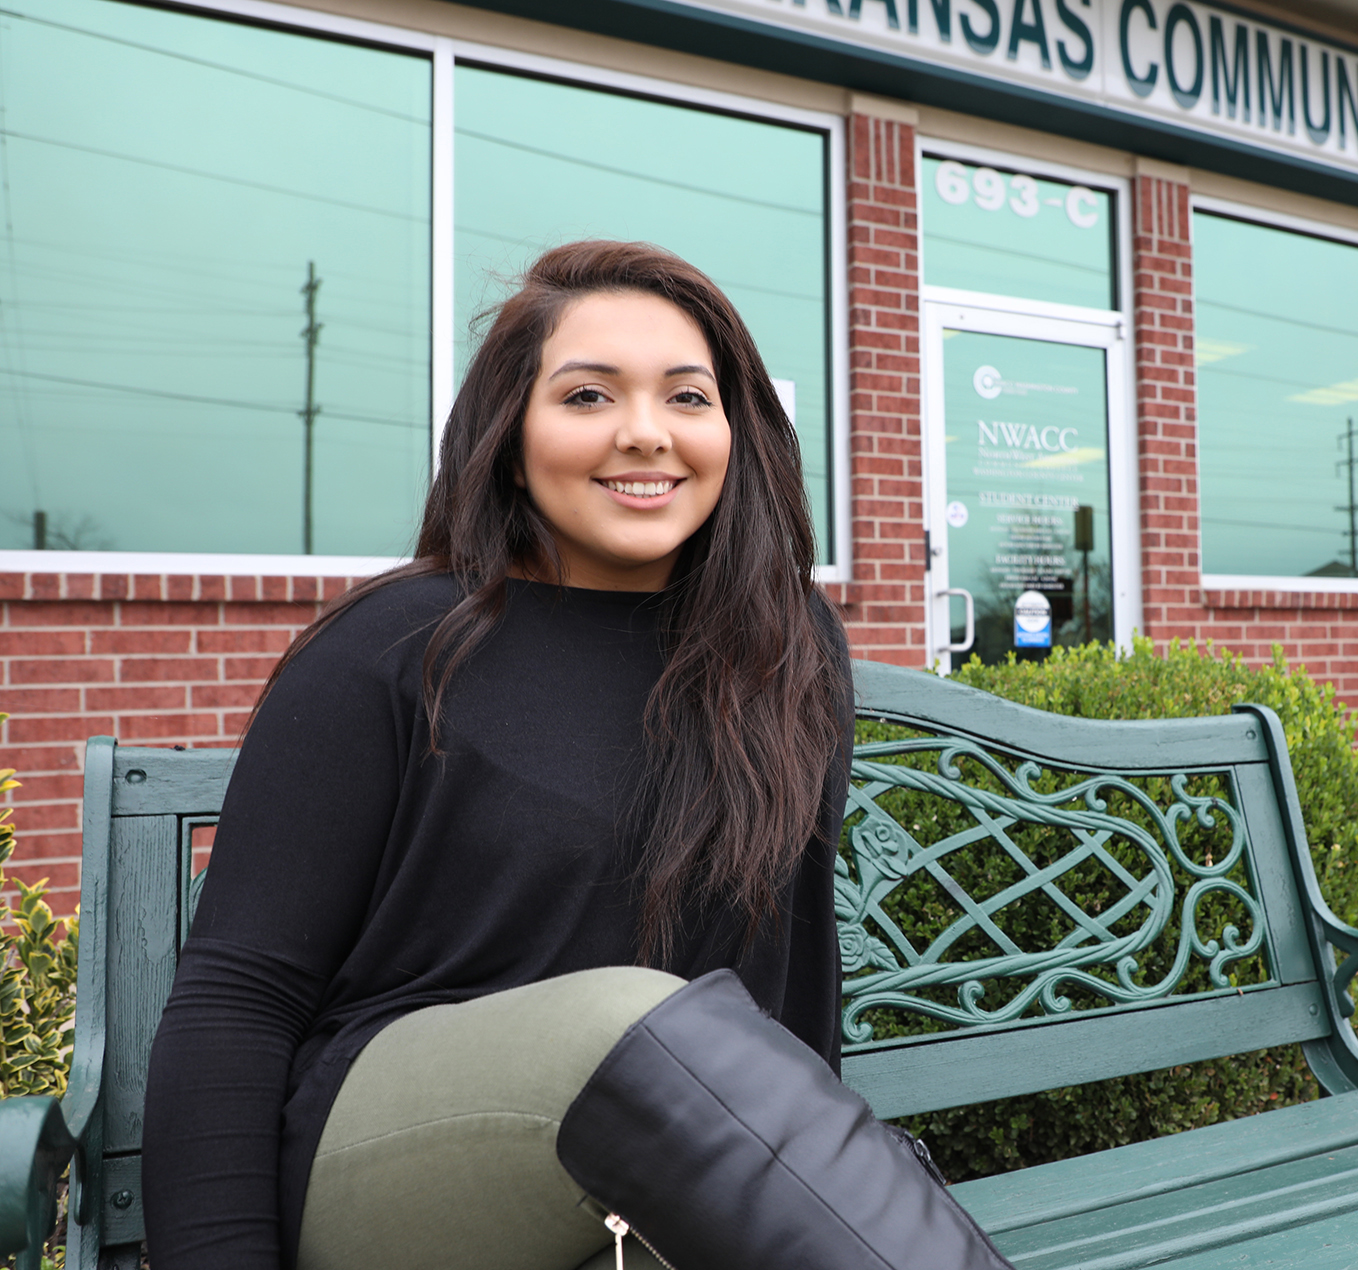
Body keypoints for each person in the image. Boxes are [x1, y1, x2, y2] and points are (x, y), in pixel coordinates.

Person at [143, 241, 1013, 1270]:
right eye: (589, 395)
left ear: (734, 433)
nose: (645, 433)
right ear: (510, 437)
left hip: (641, 1179)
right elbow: (238, 996)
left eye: (687, 398)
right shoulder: (391, 649)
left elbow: (788, 983)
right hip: (389, 1180)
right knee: (633, 1019)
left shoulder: (781, 654)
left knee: (679, 1071)